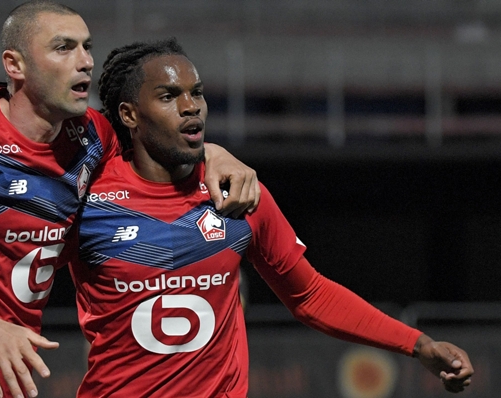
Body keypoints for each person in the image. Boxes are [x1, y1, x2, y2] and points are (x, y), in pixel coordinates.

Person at [0, 2, 260, 398]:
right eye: (64, 48)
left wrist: (212, 152)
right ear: (15, 65)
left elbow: (157, 139)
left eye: (86, 47)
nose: (85, 61)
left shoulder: (93, 136)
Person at [68, 38, 474, 397]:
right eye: (169, 95)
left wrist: (419, 344)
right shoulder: (86, 199)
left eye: (197, 92)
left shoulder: (237, 192)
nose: (191, 107)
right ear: (129, 114)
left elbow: (310, 295)